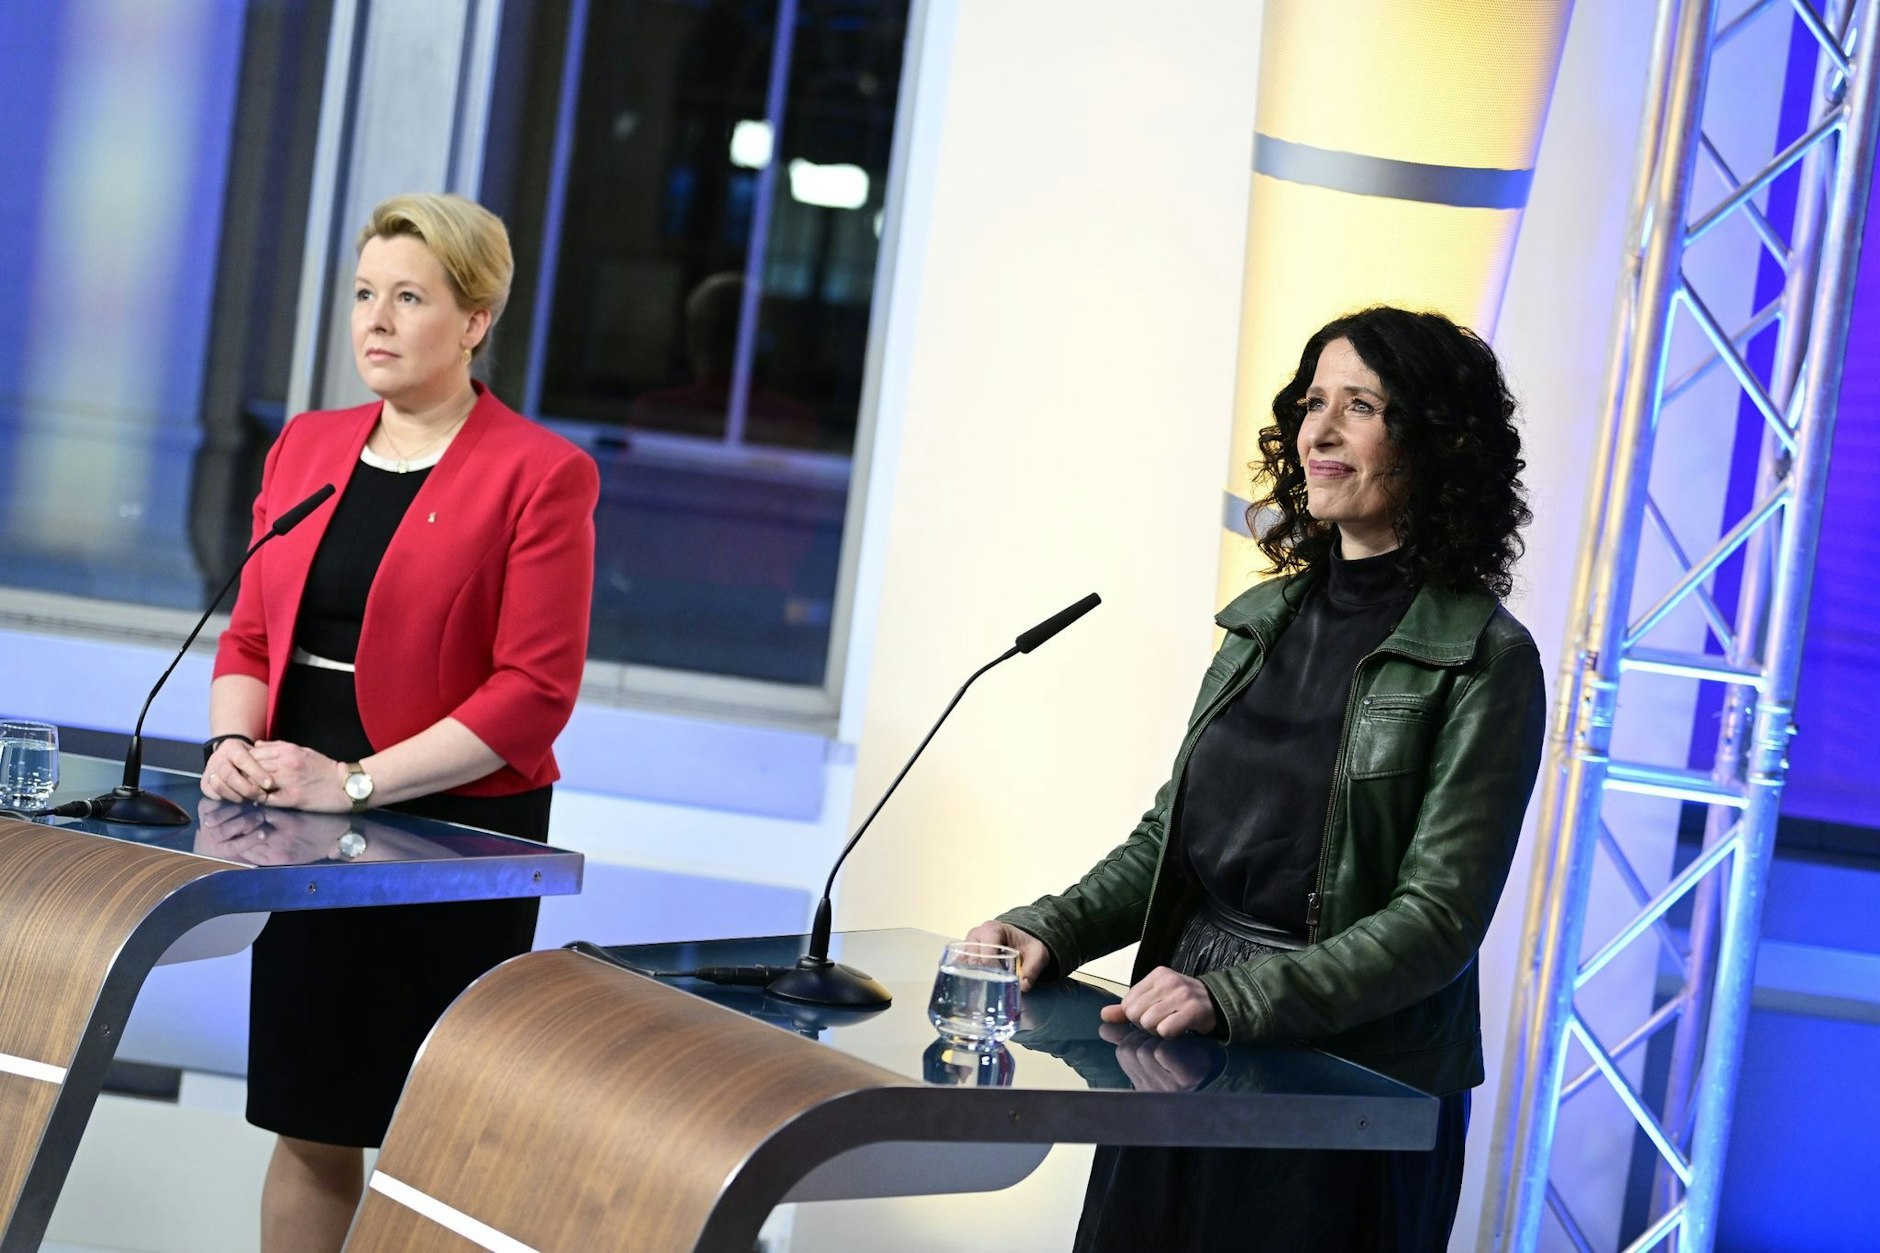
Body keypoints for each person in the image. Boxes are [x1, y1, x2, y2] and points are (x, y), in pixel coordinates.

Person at [969, 306, 1546, 1251]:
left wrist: (1235, 1002)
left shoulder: (1485, 660)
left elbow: (1438, 920)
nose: (1318, 432)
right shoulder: (1262, 621)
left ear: (1438, 442)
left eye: (1361, 407)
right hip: (1179, 1029)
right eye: (1313, 402)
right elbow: (1176, 839)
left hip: (1352, 1073)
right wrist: (1050, 927)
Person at [203, 192, 598, 1253]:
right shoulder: (307, 445)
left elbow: (533, 690)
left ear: (474, 320)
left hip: (453, 833)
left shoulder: (540, 472)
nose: (374, 320)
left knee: (436, 1136)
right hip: (298, 821)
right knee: (312, 1116)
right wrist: (231, 742)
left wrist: (360, 780)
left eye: (409, 297)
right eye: (365, 294)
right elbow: (247, 634)